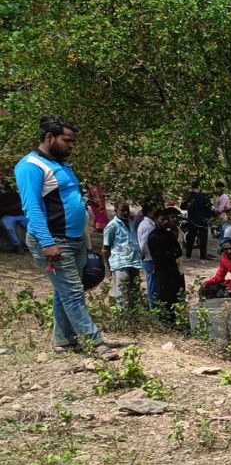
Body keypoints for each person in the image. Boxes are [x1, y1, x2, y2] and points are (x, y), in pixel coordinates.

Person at [13, 115, 117, 357]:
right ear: (49, 138)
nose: (71, 145)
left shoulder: (60, 165)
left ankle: (63, 340)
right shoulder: (31, 166)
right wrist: (47, 243)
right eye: (66, 140)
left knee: (66, 291)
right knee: (72, 293)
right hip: (54, 240)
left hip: (74, 239)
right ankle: (96, 342)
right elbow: (33, 208)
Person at [146, 208, 185, 321]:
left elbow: (178, 251)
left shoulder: (168, 234)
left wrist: (170, 253)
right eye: (162, 219)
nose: (165, 222)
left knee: (175, 297)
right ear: (156, 220)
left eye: (167, 219)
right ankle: (164, 321)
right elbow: (161, 256)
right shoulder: (154, 236)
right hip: (162, 273)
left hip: (173, 270)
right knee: (164, 297)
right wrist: (170, 253)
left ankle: (175, 320)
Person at [101, 201, 142, 308]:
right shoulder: (112, 226)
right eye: (122, 210)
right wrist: (108, 268)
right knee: (123, 293)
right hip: (120, 263)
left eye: (127, 210)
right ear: (115, 211)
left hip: (133, 261)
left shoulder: (130, 223)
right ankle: (123, 319)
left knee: (134, 291)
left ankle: (134, 318)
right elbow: (105, 249)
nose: (125, 213)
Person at [183, 182, 212, 260]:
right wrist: (209, 216)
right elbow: (208, 209)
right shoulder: (205, 197)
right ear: (200, 188)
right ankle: (203, 256)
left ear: (192, 187)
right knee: (203, 239)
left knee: (190, 239)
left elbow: (182, 206)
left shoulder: (189, 196)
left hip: (192, 220)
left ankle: (188, 256)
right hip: (203, 221)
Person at [137, 206, 158, 307]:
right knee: (152, 284)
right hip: (149, 258)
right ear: (149, 212)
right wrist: (141, 257)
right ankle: (152, 307)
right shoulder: (147, 226)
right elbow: (144, 244)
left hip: (149, 258)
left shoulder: (148, 224)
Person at [0, 181, 29, 252]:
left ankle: (31, 243)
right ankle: (17, 245)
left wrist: (19, 207)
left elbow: (24, 206)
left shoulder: (18, 195)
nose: (9, 189)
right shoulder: (2, 197)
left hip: (20, 215)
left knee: (31, 225)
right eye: (8, 188)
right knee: (9, 228)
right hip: (8, 216)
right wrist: (13, 207)